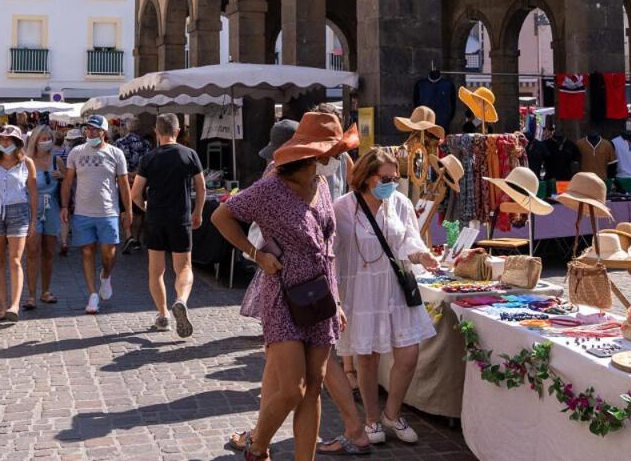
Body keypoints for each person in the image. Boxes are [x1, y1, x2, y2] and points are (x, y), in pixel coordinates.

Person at [211, 112, 350, 461]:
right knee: (292, 389)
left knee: (314, 388)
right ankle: (258, 446)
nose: (336, 160)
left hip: (321, 295)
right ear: (316, 155)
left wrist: (338, 301)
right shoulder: (269, 188)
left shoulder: (319, 186)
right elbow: (221, 216)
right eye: (333, 153)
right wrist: (255, 254)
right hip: (284, 294)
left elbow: (327, 245)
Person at [334, 147, 438, 445]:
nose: (392, 182)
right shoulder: (343, 207)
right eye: (386, 177)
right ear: (367, 177)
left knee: (408, 354)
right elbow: (333, 248)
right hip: (362, 289)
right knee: (367, 358)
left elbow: (409, 239)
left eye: (396, 176)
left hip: (394, 287)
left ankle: (392, 413)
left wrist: (421, 255)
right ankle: (371, 419)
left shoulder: (400, 203)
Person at [130, 113, 205, 337]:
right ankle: (180, 300)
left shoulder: (149, 158)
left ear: (157, 132)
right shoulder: (189, 154)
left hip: (155, 219)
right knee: (183, 268)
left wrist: (145, 207)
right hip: (180, 218)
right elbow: (201, 187)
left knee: (156, 271)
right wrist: (198, 211)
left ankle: (163, 316)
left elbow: (135, 193)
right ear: (178, 131)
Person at [60, 115, 130, 315]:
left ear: (103, 132)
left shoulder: (116, 154)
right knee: (87, 251)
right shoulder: (76, 152)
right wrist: (65, 206)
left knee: (109, 253)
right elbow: (68, 181)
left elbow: (124, 185)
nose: (90, 132)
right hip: (83, 212)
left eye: (94, 129)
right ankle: (92, 294)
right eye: (88, 129)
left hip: (108, 212)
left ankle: (106, 276)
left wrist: (128, 211)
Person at [0, 125, 37, 322]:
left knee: (15, 260)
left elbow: (33, 192)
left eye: (9, 139)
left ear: (17, 142)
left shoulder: (27, 163)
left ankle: (14, 305)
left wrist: (33, 219)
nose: (5, 142)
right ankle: (3, 306)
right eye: (2, 139)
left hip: (18, 211)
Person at [24, 124, 64, 309]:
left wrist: (62, 177)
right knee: (32, 251)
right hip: (32, 208)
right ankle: (31, 294)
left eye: (49, 138)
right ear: (35, 140)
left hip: (52, 208)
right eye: (43, 138)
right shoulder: (26, 161)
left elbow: (66, 186)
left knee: (49, 251)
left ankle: (45, 291)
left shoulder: (57, 160)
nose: (46, 142)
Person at [116, 118, 152, 255]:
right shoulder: (146, 144)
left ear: (127, 128)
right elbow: (149, 162)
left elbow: (116, 162)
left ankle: (128, 236)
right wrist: (136, 174)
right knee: (138, 211)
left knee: (124, 209)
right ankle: (136, 239)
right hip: (141, 180)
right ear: (139, 128)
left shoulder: (119, 143)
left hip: (123, 179)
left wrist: (127, 174)